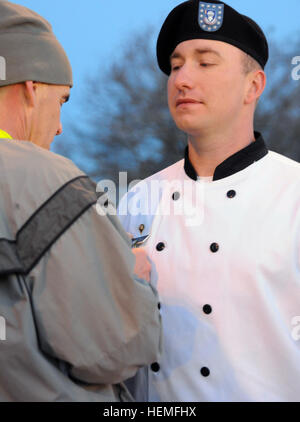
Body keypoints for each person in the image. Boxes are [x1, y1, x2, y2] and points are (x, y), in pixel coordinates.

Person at [118, 0, 300, 402]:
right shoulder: (137, 200)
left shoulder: (294, 194)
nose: (183, 78)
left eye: (205, 62)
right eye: (177, 64)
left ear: (254, 85)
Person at [0, 0, 162, 402]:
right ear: (30, 88)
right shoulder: (48, 180)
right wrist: (134, 280)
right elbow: (116, 347)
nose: (58, 127)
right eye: (63, 101)